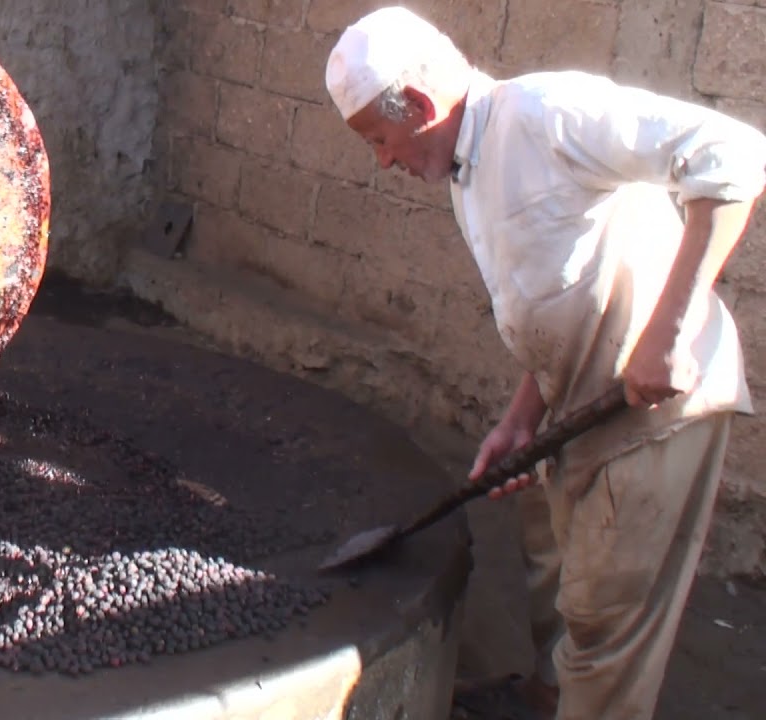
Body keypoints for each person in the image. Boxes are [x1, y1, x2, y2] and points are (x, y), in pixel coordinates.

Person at [324, 6, 766, 720]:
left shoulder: (547, 113)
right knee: (552, 568)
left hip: (657, 407)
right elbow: (562, 298)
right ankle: (543, 699)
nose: (384, 162)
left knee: (606, 616)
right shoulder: (467, 171)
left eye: (381, 139)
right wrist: (520, 418)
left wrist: (669, 329)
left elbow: (737, 156)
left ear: (425, 107)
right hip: (578, 398)